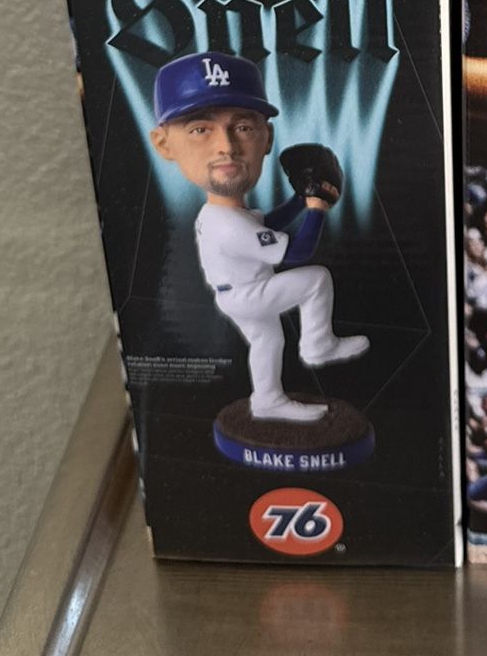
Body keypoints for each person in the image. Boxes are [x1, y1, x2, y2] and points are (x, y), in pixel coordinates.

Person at [149, 50, 366, 424]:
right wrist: (316, 209)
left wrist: (299, 200)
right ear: (164, 144)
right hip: (248, 295)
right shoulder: (228, 225)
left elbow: (267, 224)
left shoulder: (221, 214)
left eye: (244, 128)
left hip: (236, 293)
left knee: (269, 340)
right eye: (201, 129)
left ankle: (266, 399)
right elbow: (297, 254)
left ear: (267, 137)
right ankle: (318, 345)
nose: (226, 146)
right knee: (316, 280)